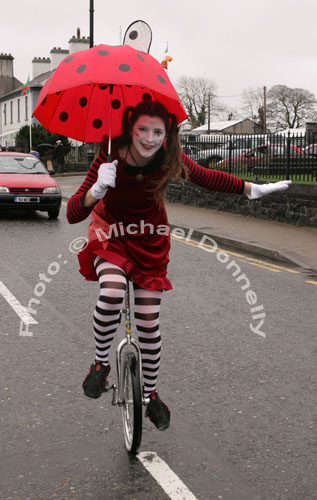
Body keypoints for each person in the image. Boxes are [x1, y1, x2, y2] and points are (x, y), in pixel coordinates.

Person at [66, 101, 291, 431]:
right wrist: (96, 189)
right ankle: (100, 365)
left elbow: (207, 177)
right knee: (112, 293)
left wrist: (251, 189)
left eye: (158, 132)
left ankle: (151, 393)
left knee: (147, 320)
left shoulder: (169, 159)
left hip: (150, 240)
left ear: (167, 135)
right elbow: (73, 213)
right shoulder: (109, 155)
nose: (149, 138)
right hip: (111, 233)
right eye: (142, 129)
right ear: (131, 128)